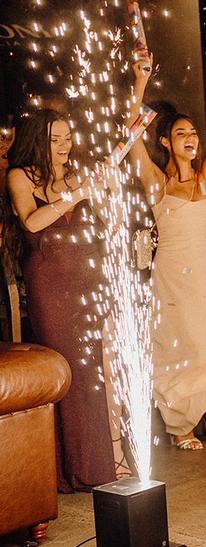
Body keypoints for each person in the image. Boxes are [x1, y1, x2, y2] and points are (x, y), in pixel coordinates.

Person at [127, 51, 206, 449]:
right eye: (181, 133)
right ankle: (182, 427)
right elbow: (130, 136)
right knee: (180, 346)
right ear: (166, 141)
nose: (191, 138)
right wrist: (139, 83)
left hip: (203, 274)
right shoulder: (157, 183)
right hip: (171, 275)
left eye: (193, 132)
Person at [6, 109, 117, 491]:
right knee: (66, 372)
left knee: (91, 375)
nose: (65, 145)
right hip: (51, 285)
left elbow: (106, 219)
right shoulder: (20, 176)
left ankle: (94, 469)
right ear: (39, 139)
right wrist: (75, 194)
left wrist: (104, 188)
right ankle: (66, 470)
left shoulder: (77, 174)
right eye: (56, 139)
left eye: (68, 137)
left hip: (88, 281)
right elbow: (31, 222)